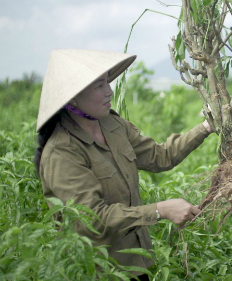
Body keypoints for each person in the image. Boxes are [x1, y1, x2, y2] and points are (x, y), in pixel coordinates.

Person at [34, 49, 213, 280]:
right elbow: (91, 219)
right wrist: (161, 210)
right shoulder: (62, 152)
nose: (109, 91)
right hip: (101, 271)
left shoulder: (112, 125)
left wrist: (206, 127)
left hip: (137, 264)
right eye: (99, 85)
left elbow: (160, 156)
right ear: (73, 97)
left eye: (107, 81)